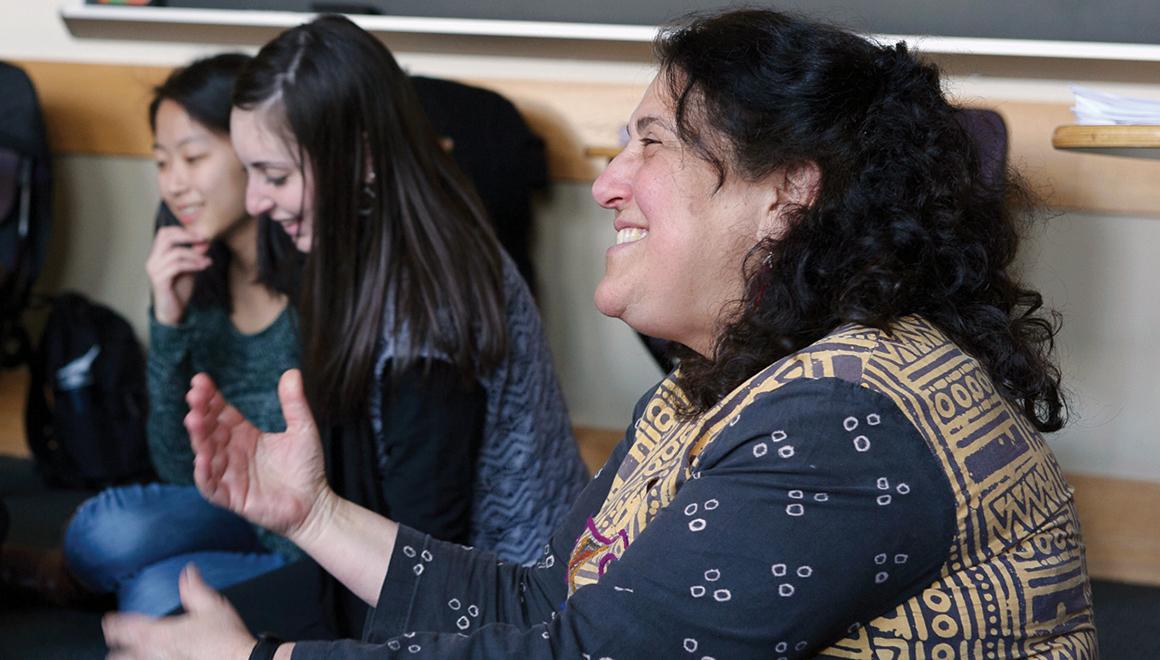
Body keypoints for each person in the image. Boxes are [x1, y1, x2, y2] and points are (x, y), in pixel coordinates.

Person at [103, 9, 1097, 659]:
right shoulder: (706, 390)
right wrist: (313, 516)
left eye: (650, 143)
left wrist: (253, 657)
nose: (604, 181)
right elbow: (556, 606)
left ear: (786, 193)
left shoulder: (839, 425)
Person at [217, 13, 585, 638]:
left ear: (362, 157)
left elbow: (427, 565)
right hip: (393, 559)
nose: (254, 201)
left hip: (499, 610)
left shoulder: (432, 306)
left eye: (274, 176)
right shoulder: (348, 240)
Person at [52, 53, 305, 617]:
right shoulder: (194, 269)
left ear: (254, 148)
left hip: (304, 537)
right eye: (162, 162)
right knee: (100, 530)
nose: (175, 184)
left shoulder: (314, 274)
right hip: (229, 505)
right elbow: (173, 467)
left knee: (151, 595)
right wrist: (167, 321)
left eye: (193, 157)